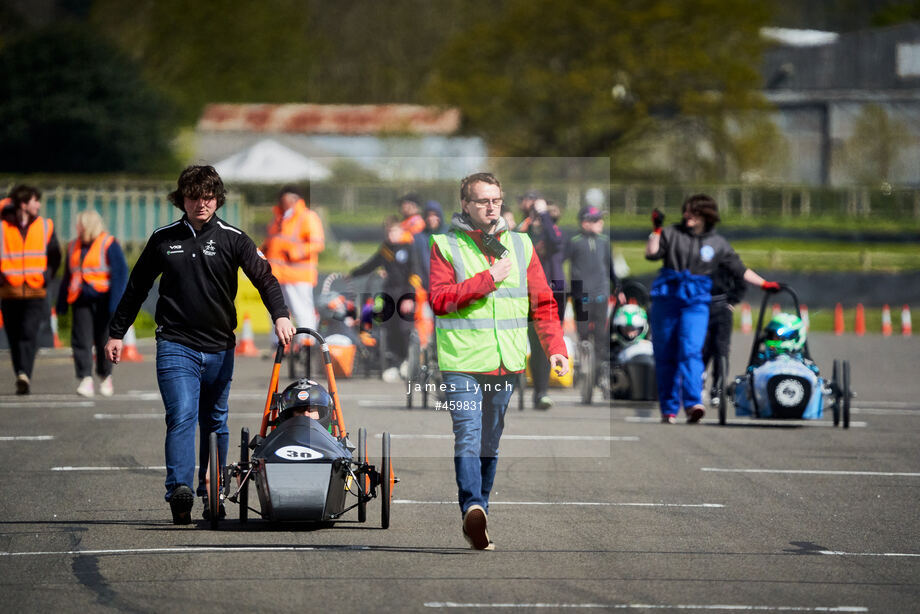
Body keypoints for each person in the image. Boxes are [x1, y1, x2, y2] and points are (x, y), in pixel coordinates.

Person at [104, 165, 295, 525]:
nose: (200, 204)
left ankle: (213, 488)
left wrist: (280, 315)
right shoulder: (163, 239)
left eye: (207, 197)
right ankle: (180, 491)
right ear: (182, 200)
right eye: (193, 197)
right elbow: (136, 287)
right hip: (176, 343)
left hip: (221, 346)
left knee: (216, 421)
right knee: (181, 415)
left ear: (217, 199)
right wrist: (117, 333)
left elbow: (265, 278)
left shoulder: (233, 238)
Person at [429, 172, 569, 550]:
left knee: (490, 441)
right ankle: (471, 506)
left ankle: (480, 513)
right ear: (465, 205)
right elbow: (440, 300)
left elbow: (543, 303)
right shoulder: (445, 245)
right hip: (461, 361)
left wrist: (556, 348)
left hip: (506, 363)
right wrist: (488, 278)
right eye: (481, 201)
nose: (490, 207)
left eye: (495, 200)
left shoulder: (522, 245)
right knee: (469, 435)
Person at [645, 194, 779, 424]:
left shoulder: (718, 243)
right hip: (667, 298)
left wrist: (765, 283)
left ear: (706, 216)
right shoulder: (671, 233)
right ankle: (668, 408)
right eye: (686, 211)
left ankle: (692, 403)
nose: (687, 216)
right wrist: (656, 229)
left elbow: (740, 270)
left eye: (693, 213)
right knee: (665, 354)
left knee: (691, 350)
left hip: (696, 301)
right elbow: (652, 254)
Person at [56, 209, 128, 397]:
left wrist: (116, 304)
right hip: (80, 299)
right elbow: (68, 275)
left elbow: (120, 275)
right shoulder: (73, 246)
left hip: (104, 301)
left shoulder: (108, 244)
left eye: (80, 224)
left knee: (104, 339)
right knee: (81, 340)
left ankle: (105, 376)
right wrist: (61, 301)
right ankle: (85, 378)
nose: (77, 228)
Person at [0, 185, 62, 395]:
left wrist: (47, 277)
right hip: (9, 290)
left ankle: (25, 373)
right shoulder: (3, 226)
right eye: (35, 200)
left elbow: (55, 255)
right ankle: (20, 372)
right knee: (14, 336)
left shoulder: (45, 226)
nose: (39, 205)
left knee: (29, 332)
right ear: (23, 204)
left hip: (36, 290)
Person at [348, 216, 419, 383]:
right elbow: (371, 264)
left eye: (394, 231)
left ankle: (407, 360)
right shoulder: (385, 249)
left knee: (404, 328)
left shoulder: (408, 248)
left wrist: (410, 296)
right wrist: (353, 273)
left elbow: (414, 273)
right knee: (389, 327)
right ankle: (394, 362)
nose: (391, 235)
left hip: (405, 293)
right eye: (388, 232)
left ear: (401, 231)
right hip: (389, 293)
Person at [566, 205, 626, 388]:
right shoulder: (574, 241)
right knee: (583, 333)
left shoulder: (604, 241)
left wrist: (618, 288)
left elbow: (610, 267)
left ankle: (599, 373)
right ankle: (581, 366)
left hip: (601, 295)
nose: (601, 223)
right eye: (596, 220)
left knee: (601, 336)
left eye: (601, 220)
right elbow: (562, 264)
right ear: (585, 222)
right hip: (581, 295)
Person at [517, 191, 565, 409]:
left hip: (551, 294)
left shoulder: (555, 233)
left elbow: (554, 241)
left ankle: (541, 393)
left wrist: (544, 213)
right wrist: (529, 218)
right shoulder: (527, 233)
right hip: (525, 294)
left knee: (542, 347)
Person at [261, 185, 324, 345]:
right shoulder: (279, 218)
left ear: (293, 199)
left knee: (302, 310)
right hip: (277, 275)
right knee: (277, 310)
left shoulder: (307, 217)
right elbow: (271, 243)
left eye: (284, 200)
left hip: (298, 275)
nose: (282, 203)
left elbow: (317, 244)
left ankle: (307, 343)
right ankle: (279, 344)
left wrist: (294, 253)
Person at [412, 200, 446, 292]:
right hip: (425, 288)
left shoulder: (449, 235)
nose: (431, 218)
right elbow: (415, 264)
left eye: (434, 215)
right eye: (428, 215)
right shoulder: (418, 238)